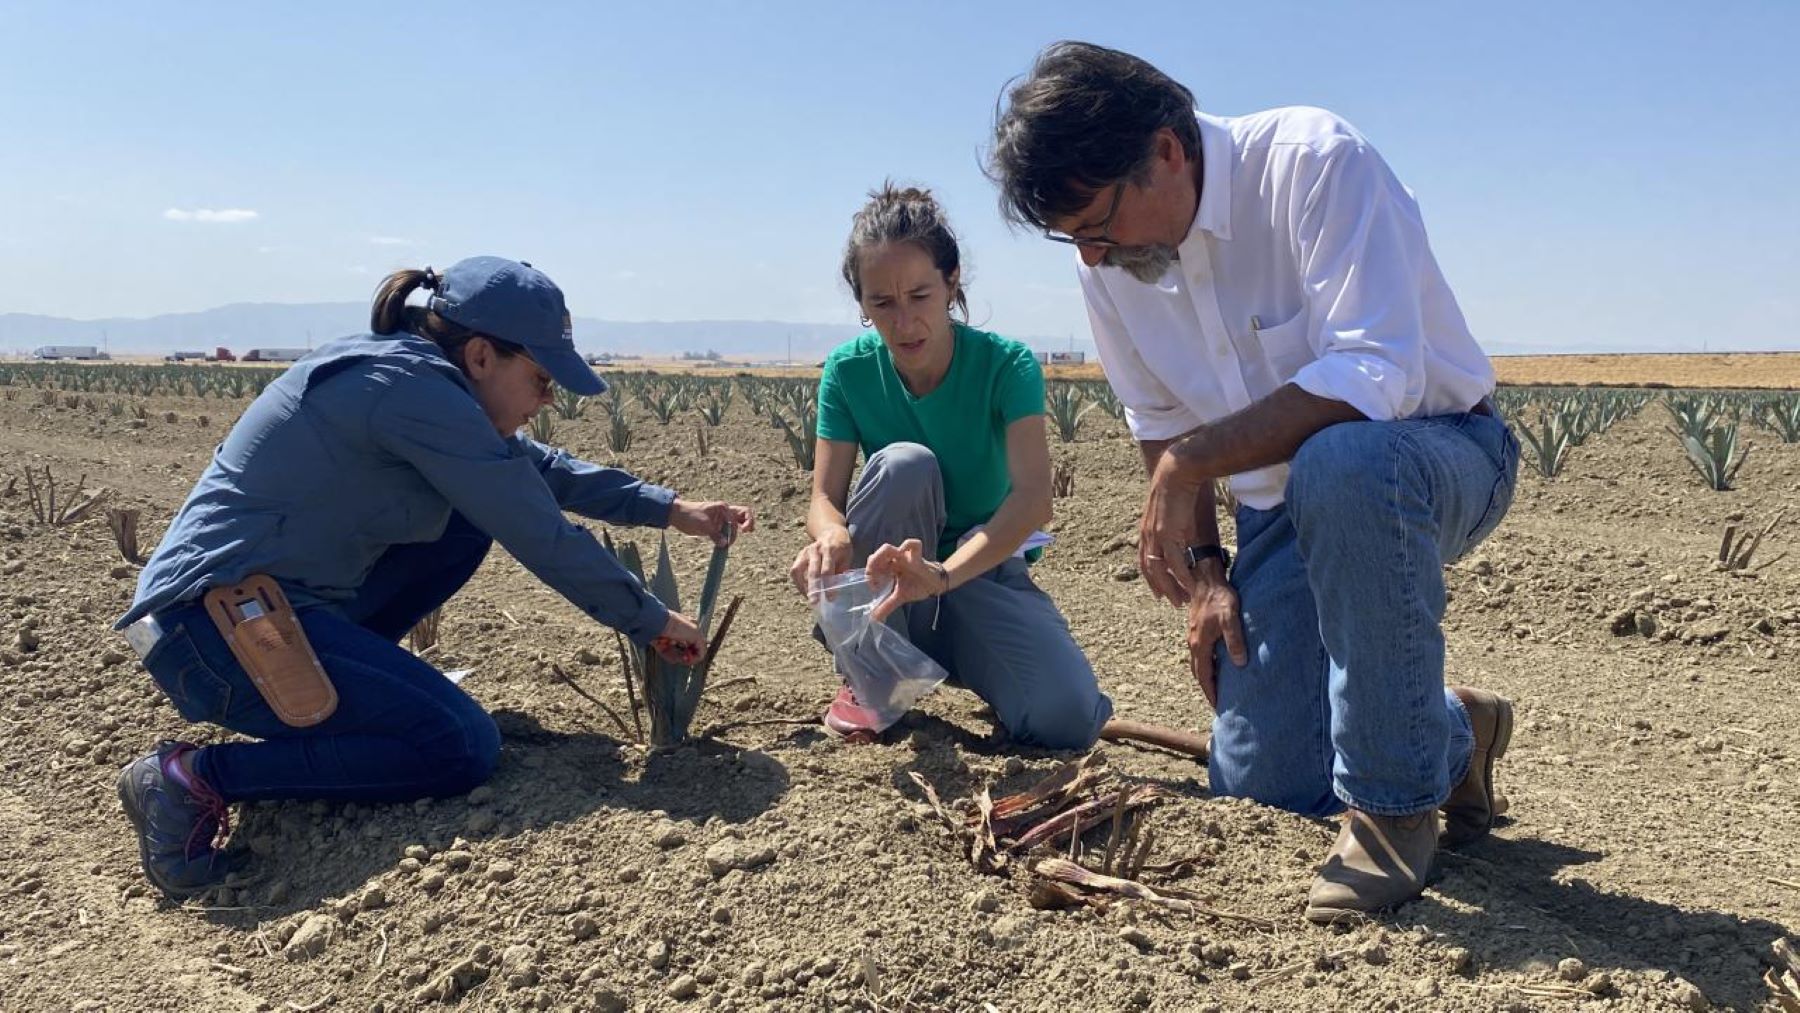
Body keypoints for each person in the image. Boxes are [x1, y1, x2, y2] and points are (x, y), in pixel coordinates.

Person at [989, 43, 1521, 921]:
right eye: (1071, 236)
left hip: (1435, 452)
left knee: (1341, 461)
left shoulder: (1314, 164)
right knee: (1260, 789)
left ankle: (1394, 811)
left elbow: (1374, 376)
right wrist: (1208, 573)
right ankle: (1455, 726)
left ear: (1166, 151)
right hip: (1282, 511)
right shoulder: (1113, 265)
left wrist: (1191, 462)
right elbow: (1158, 416)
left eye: (1097, 223)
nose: (1090, 254)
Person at [113, 256, 754, 898]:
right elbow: (539, 530)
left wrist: (671, 509)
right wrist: (649, 619)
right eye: (540, 378)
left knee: (463, 524)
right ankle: (193, 776)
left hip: (251, 613)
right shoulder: (408, 390)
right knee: (458, 747)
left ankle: (366, 695)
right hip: (210, 634)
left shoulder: (415, 377)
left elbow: (533, 468)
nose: (547, 399)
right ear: (481, 356)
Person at [788, 184, 1113, 750]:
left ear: (952, 282)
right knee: (904, 466)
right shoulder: (848, 371)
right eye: (882, 304)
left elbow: (1033, 500)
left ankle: (959, 657)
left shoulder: (1005, 366)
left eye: (920, 295)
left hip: (976, 571)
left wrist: (940, 576)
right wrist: (833, 535)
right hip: (887, 582)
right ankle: (873, 676)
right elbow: (823, 499)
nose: (904, 322)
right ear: (862, 304)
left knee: (1066, 719)